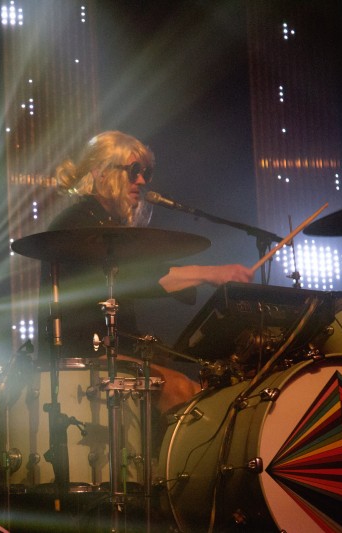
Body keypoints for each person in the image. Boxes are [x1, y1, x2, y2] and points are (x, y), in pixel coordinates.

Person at [38, 130, 254, 414]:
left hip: (112, 350)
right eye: (133, 170)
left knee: (204, 385)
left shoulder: (105, 223)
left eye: (146, 172)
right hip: (80, 355)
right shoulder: (79, 225)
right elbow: (140, 277)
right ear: (101, 173)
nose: (141, 180)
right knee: (182, 391)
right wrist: (210, 273)